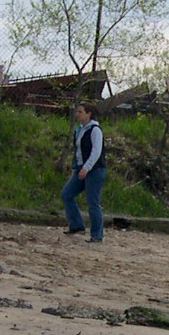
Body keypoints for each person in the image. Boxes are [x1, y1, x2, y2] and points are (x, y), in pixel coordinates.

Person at [61, 100, 106, 242]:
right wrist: (77, 167)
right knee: (67, 194)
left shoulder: (95, 130)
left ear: (89, 114)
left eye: (80, 111)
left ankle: (97, 235)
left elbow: (96, 151)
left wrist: (87, 167)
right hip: (81, 168)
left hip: (95, 170)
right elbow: (79, 151)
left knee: (93, 202)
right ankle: (77, 225)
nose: (77, 114)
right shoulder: (79, 130)